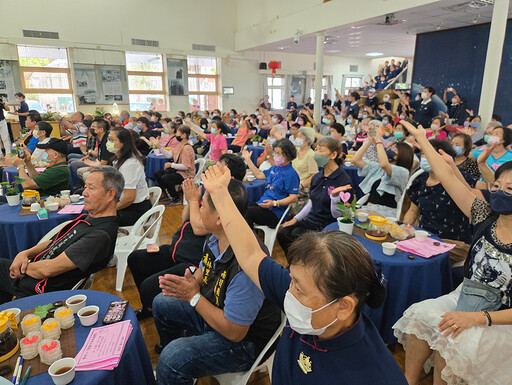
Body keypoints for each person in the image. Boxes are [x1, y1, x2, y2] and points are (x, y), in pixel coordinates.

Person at [200, 165, 407, 384]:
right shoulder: (311, 302)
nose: (288, 293)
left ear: (344, 306)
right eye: (292, 281)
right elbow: (251, 254)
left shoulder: (375, 375)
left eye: (298, 289)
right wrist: (220, 195)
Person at [393, 120, 512, 385]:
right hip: (468, 295)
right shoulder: (485, 215)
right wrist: (423, 140)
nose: (501, 193)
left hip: (501, 316)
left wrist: (476, 318)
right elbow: (447, 178)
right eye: (497, 187)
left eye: (510, 189)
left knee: (452, 337)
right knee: (420, 316)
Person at [152, 178, 281, 385]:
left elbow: (235, 332)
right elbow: (206, 269)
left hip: (245, 343)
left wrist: (193, 297)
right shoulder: (216, 237)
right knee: (161, 302)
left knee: (172, 358)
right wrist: (193, 282)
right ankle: (178, 373)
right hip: (216, 310)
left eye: (203, 204)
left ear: (220, 217)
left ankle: (175, 370)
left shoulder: (246, 266)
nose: (199, 208)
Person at [128, 154, 246, 320]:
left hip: (192, 259)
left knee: (149, 287)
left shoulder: (229, 203)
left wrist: (192, 200)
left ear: (229, 177)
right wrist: (193, 201)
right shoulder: (210, 194)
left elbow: (198, 228)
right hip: (177, 248)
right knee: (136, 258)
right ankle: (151, 308)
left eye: (216, 170)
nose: (210, 172)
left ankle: (157, 310)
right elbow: (186, 219)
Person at [0, 166, 122, 303]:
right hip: (31, 276)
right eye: (85, 187)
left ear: (110, 194)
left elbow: (48, 269)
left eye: (91, 188)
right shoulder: (88, 218)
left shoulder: (100, 235)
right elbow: (53, 242)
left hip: (39, 293)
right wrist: (24, 254)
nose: (84, 193)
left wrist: (22, 267)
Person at [404, 139, 478, 264]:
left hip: (454, 243)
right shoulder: (421, 180)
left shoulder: (459, 179)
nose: (424, 158)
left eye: (428, 154)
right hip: (425, 238)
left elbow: (481, 192)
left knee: (417, 260)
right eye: (422, 154)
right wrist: (404, 230)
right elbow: (412, 211)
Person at [278, 137, 354, 254]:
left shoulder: (343, 181)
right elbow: (312, 202)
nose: (316, 154)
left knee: (296, 236)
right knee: (283, 234)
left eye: (321, 150)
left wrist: (334, 197)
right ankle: (295, 264)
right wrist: (295, 218)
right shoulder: (318, 177)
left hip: (327, 226)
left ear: (333, 154)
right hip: (311, 221)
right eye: (316, 149)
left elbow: (339, 215)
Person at [352, 126, 414, 218]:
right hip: (368, 209)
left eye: (393, 149)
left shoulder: (403, 172)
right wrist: (369, 141)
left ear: (402, 155)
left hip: (386, 214)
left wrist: (378, 140)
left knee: (352, 214)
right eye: (389, 148)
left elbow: (384, 164)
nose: (388, 150)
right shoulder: (379, 168)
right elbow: (356, 160)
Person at [243, 138, 300, 228]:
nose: (275, 156)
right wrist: (248, 160)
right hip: (264, 205)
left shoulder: (291, 174)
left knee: (246, 213)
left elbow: (293, 198)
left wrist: (274, 203)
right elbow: (259, 175)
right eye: (275, 153)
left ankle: (250, 240)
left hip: (275, 212)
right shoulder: (275, 168)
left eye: (278, 153)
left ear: (287, 155)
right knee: (241, 205)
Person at [102, 127, 150, 226]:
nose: (108, 142)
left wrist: (110, 209)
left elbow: (129, 198)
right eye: (108, 139)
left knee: (100, 219)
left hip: (136, 209)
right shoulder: (118, 159)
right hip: (127, 205)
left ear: (123, 143)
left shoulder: (130, 164)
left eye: (112, 140)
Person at [153, 125, 195, 206]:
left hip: (186, 174)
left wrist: (171, 165)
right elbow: (169, 155)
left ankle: (176, 198)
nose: (176, 135)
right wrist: (159, 146)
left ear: (184, 135)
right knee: (158, 173)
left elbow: (185, 166)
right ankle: (166, 194)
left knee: (167, 177)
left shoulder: (187, 148)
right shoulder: (179, 145)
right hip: (178, 171)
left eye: (178, 133)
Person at [290, 127, 318, 214]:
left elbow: (313, 175)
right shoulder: (296, 151)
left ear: (308, 140)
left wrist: (301, 186)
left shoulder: (311, 155)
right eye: (297, 136)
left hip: (303, 186)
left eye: (300, 136)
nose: (297, 138)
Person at [76, 118, 113, 183]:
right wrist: (89, 168)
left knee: (85, 174)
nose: (91, 129)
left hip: (107, 169)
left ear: (101, 130)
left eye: (93, 127)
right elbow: (98, 160)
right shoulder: (100, 140)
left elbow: (103, 164)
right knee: (80, 171)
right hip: (100, 166)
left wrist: (91, 166)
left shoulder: (106, 142)